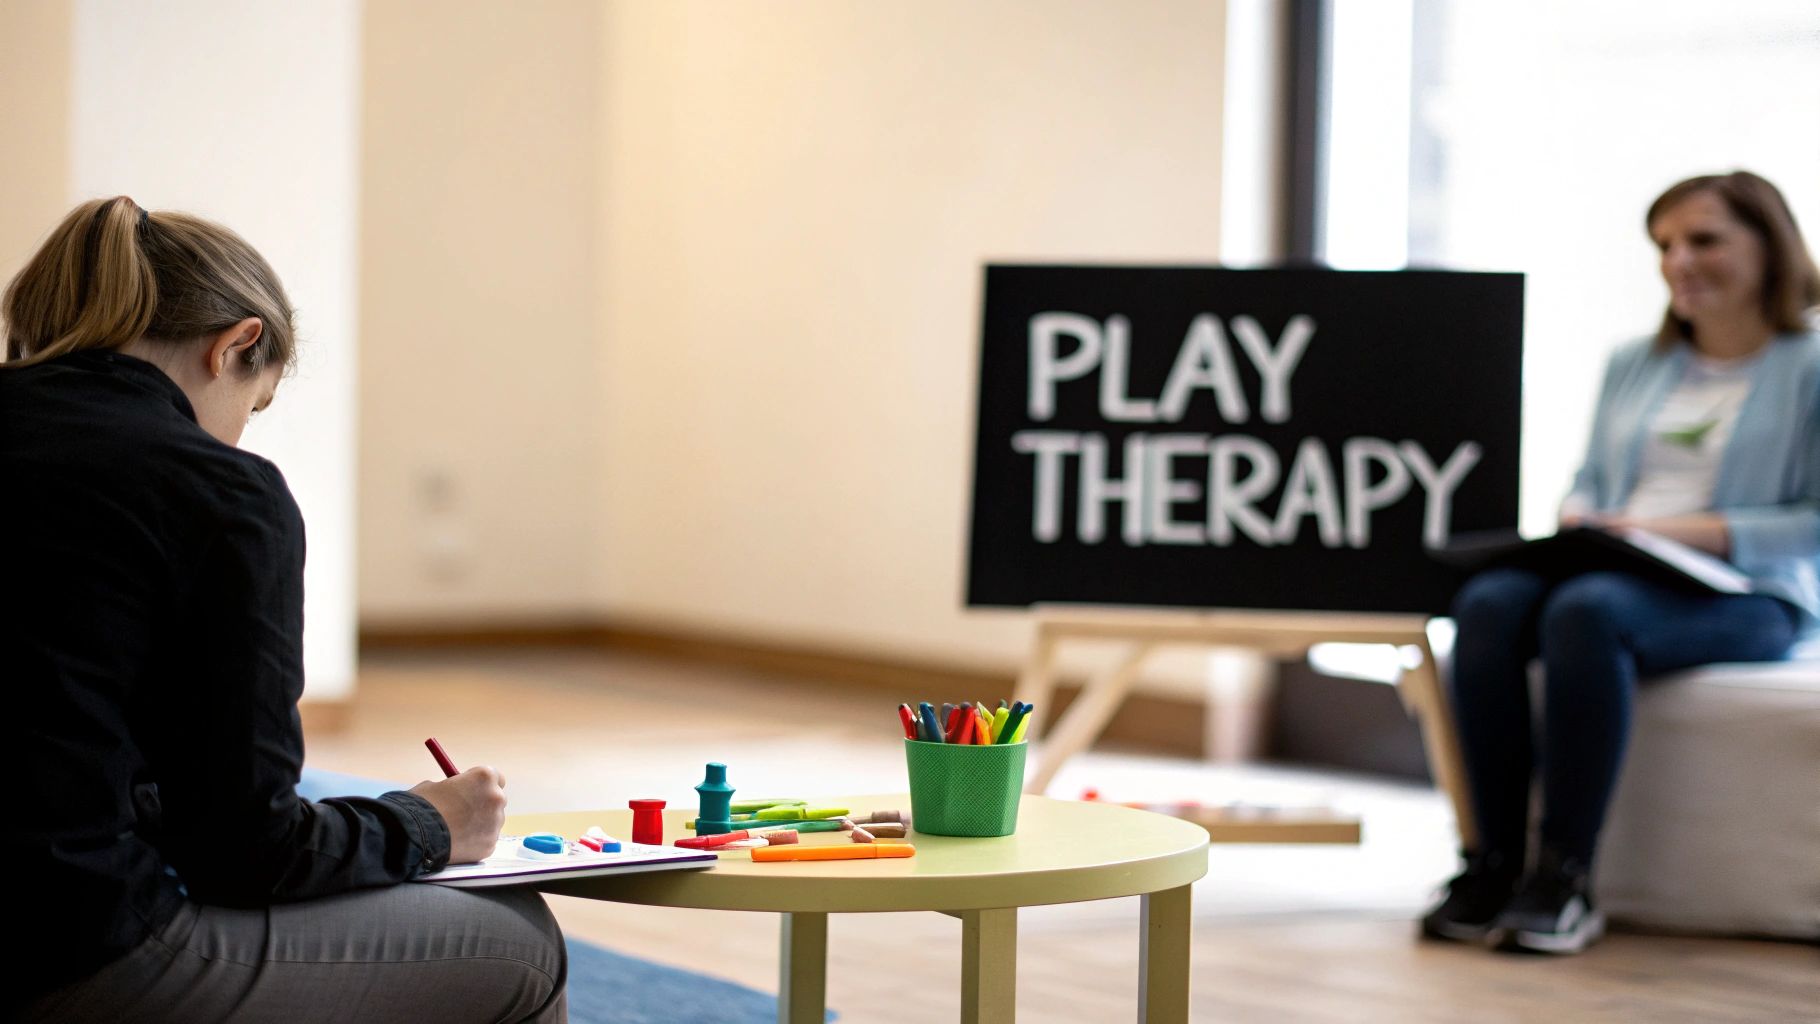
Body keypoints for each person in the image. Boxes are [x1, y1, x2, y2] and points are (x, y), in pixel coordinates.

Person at [2, 197, 568, 1021]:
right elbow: (245, 854)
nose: (238, 439)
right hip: (57, 953)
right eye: (252, 408)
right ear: (235, 345)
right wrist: (427, 823)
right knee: (516, 940)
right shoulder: (217, 491)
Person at [1420, 170, 1820, 955]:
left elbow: (1813, 525)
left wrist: (1677, 531)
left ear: (1769, 248)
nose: (1679, 262)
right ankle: (1490, 862)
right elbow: (1592, 481)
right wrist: (1584, 517)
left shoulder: (1808, 365)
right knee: (1489, 602)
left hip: (1750, 591)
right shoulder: (1635, 361)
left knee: (1587, 610)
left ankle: (1563, 877)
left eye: (1703, 240)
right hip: (1623, 563)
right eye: (1665, 246)